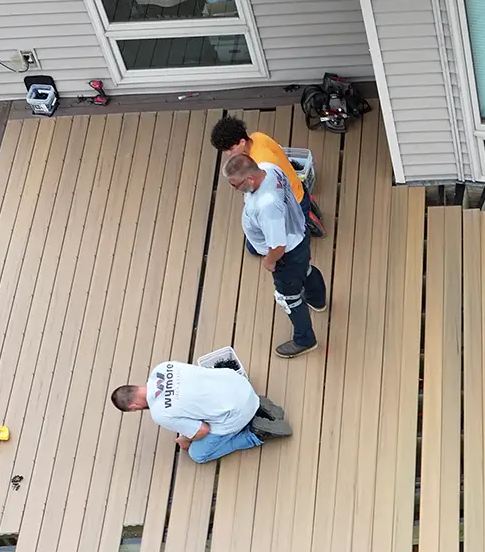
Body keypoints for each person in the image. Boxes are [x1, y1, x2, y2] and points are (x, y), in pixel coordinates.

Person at [224, 153, 328, 358]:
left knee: (289, 297)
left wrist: (269, 261)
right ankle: (318, 301)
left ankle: (305, 340)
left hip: (286, 254)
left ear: (250, 179)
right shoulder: (269, 168)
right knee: (305, 270)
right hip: (299, 234)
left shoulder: (267, 206)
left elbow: (278, 246)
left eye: (235, 185)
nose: (234, 190)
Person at [111, 361, 291, 464]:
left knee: (198, 454)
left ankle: (256, 434)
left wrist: (185, 439)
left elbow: (202, 430)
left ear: (134, 406)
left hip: (237, 411)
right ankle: (256, 403)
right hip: (238, 383)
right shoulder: (162, 368)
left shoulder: (160, 413)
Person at [210, 116, 324, 235]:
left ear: (242, 142)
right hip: (296, 184)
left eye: (230, 149)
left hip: (293, 202)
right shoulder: (257, 137)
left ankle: (312, 225)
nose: (228, 154)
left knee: (295, 230)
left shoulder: (260, 165)